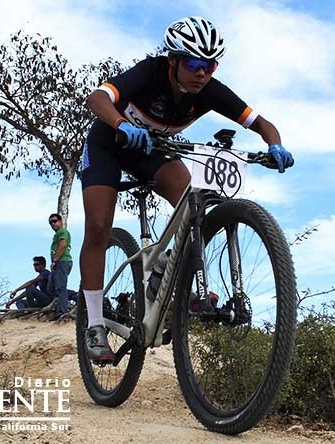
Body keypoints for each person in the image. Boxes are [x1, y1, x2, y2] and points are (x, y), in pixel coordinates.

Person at [79, 16, 294, 363]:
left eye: (210, 66)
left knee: (194, 204)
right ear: (174, 60)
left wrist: (275, 145)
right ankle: (93, 324)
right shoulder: (149, 72)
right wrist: (119, 122)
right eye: (194, 64)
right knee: (99, 226)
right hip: (109, 142)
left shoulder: (210, 91)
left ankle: (165, 266)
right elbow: (97, 98)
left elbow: (262, 123)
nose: (202, 73)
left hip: (151, 150)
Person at [48, 213, 74, 320]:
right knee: (51, 287)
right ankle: (62, 306)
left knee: (60, 288)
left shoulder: (62, 232)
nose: (53, 224)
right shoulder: (57, 234)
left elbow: (63, 245)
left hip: (62, 262)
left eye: (55, 221)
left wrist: (55, 260)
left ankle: (62, 312)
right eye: (50, 222)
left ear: (60, 221)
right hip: (58, 263)